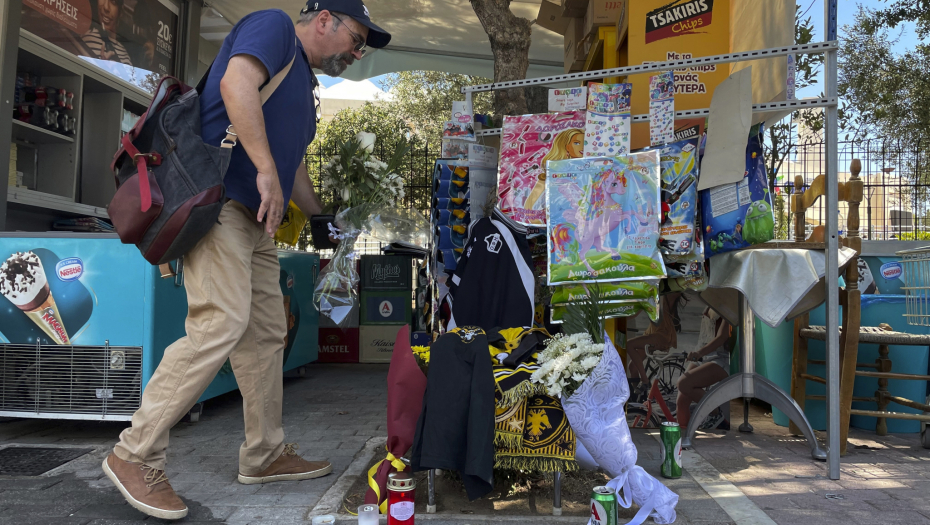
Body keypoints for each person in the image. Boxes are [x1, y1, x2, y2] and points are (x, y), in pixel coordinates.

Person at [101, 1, 391, 520]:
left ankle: (263, 453)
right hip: (220, 207)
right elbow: (236, 86)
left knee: (264, 334)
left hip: (255, 220)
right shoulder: (273, 27)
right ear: (324, 19)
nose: (357, 51)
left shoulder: (304, 82)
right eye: (357, 38)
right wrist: (264, 171)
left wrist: (319, 214)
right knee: (222, 322)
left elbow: (290, 163)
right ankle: (134, 453)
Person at [675, 306, 732, 431]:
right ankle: (683, 435)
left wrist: (699, 353)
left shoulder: (729, 304)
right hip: (703, 355)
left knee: (684, 383)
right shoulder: (710, 302)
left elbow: (722, 337)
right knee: (681, 399)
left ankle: (716, 414)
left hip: (721, 357)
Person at [626, 292, 686, 401]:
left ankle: (645, 381)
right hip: (651, 334)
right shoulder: (648, 296)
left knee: (629, 344)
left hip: (662, 335)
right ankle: (638, 398)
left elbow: (679, 289)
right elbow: (632, 314)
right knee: (632, 367)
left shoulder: (666, 295)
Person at [524, 128, 583, 210]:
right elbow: (530, 204)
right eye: (576, 143)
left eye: (585, 143)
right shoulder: (553, 170)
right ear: (567, 146)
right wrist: (535, 220)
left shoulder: (590, 169)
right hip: (558, 217)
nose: (582, 146)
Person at [82, 0, 133, 65]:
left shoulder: (124, 54)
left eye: (113, 2)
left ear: (120, 12)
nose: (106, 7)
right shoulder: (88, 38)